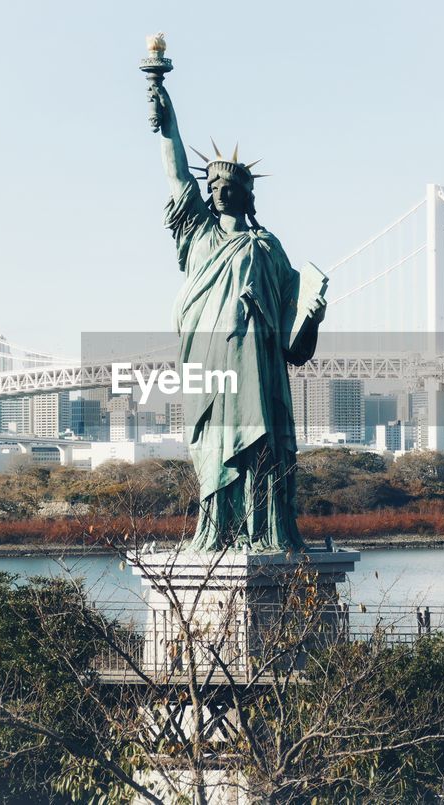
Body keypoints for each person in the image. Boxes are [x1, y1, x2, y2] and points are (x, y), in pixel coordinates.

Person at [148, 79, 327, 552]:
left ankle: (264, 529)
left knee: (260, 443)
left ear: (248, 195)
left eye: (232, 187)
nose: (222, 192)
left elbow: (294, 330)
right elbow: (176, 177)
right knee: (214, 445)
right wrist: (168, 122)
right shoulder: (199, 234)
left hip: (259, 365)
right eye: (216, 186)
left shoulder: (267, 248)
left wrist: (313, 314)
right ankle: (218, 529)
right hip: (210, 361)